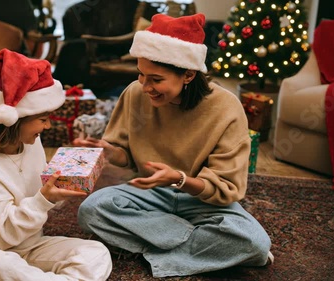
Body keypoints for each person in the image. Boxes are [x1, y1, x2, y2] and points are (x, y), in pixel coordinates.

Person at [73, 13, 273, 278]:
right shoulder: (135, 93)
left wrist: (179, 179)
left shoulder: (226, 108)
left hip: (202, 199)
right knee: (91, 210)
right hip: (151, 194)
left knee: (255, 244)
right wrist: (111, 152)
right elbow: (127, 157)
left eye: (156, 79)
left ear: (188, 74)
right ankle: (201, 248)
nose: (145, 86)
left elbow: (225, 190)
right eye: (141, 74)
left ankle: (153, 247)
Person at [0, 48, 112, 281]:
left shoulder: (30, 143)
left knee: (95, 253)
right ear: (14, 121)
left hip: (30, 246)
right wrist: (43, 200)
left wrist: (63, 185)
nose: (47, 127)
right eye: (43, 120)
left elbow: (40, 194)